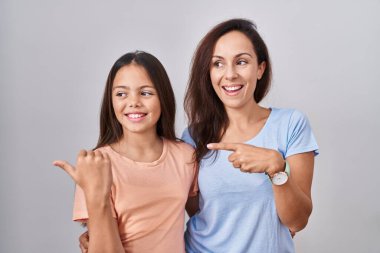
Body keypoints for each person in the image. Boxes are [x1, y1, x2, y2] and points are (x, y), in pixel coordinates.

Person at [181, 18, 319, 252]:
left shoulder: (291, 124)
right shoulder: (193, 135)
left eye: (241, 62)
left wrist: (277, 168)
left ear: (260, 69)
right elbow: (197, 209)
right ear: (208, 72)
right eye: (218, 64)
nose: (230, 74)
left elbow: (297, 221)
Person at [53, 51, 198, 253]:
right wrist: (98, 198)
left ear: (162, 97)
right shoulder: (98, 164)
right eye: (121, 94)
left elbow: (206, 220)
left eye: (146, 93)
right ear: (111, 101)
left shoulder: (185, 156)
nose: (133, 102)